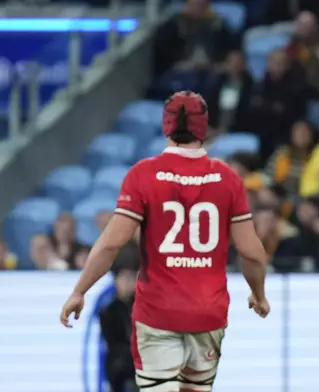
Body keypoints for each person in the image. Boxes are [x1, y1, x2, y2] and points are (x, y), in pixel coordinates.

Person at [59, 91, 270, 392]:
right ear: (203, 128)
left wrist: (80, 290)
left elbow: (110, 244)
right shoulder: (227, 179)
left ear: (166, 127)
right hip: (207, 314)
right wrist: (258, 293)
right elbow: (251, 252)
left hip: (157, 314)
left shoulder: (143, 175)